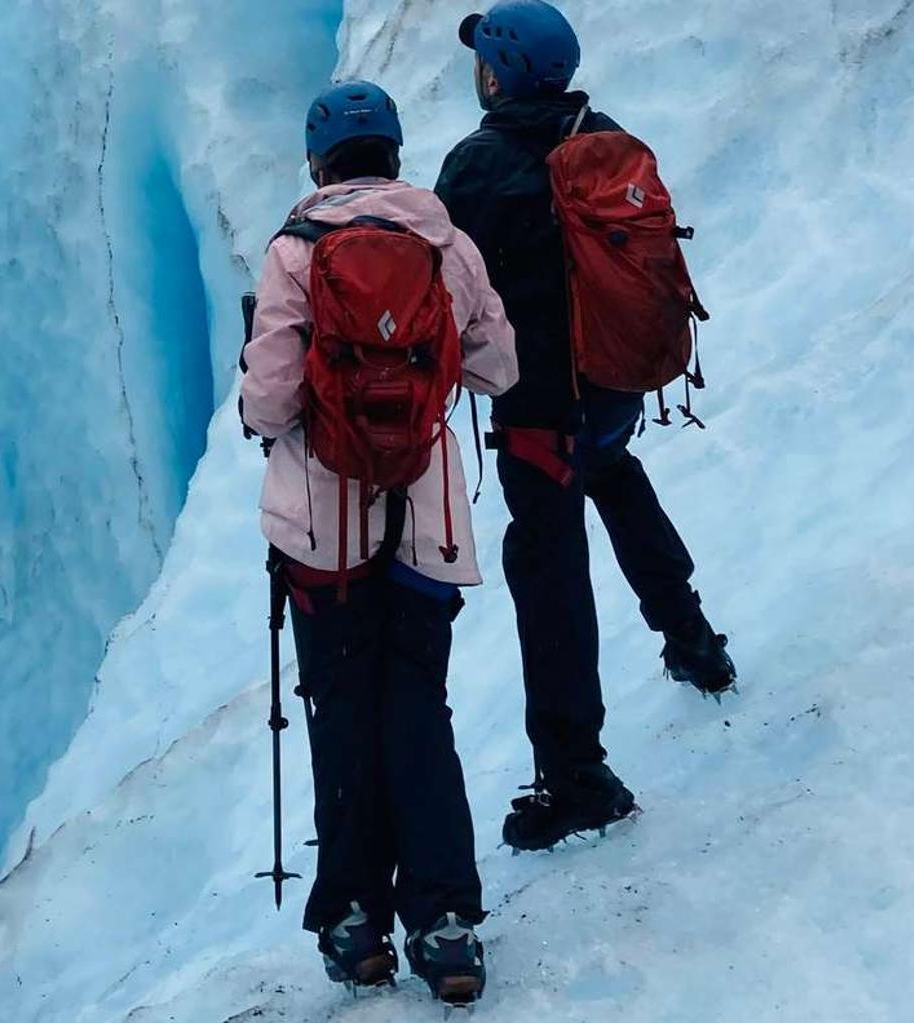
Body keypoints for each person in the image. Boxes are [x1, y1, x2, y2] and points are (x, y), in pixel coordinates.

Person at [432, 0, 738, 854]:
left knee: (549, 573)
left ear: (499, 73)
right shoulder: (603, 137)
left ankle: (577, 775)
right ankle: (694, 639)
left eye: (484, 59)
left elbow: (445, 284)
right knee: (616, 471)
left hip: (538, 410)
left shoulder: (480, 165)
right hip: (610, 384)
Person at [240, 80, 517, 1004]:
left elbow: (271, 398)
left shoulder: (293, 252)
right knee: (418, 707)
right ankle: (445, 922)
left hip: (324, 530)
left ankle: (354, 921)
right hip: (426, 525)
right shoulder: (447, 244)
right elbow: (498, 366)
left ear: (318, 161)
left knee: (342, 710)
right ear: (395, 153)